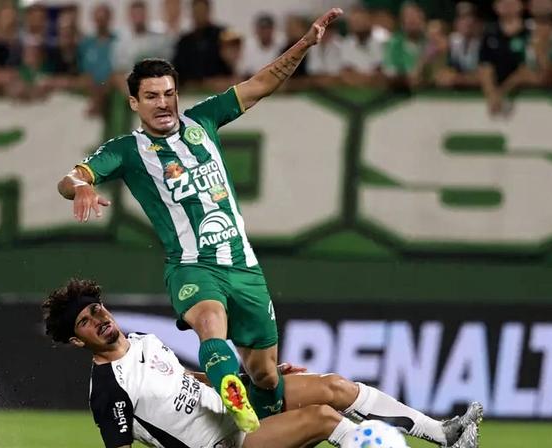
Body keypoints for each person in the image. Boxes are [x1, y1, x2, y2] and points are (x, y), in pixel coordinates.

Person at [57, 8, 343, 434]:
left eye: (169, 93)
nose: (163, 103)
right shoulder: (127, 151)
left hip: (241, 264)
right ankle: (231, 389)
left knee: (267, 377)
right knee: (211, 320)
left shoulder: (204, 119)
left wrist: (304, 44)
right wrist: (80, 187)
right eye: (151, 96)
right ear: (134, 103)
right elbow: (70, 178)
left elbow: (261, 83)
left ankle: (250, 395)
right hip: (191, 263)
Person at [41, 278, 484, 448]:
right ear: (77, 341)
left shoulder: (143, 340)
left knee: (330, 386)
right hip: (226, 445)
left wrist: (244, 380)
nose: (98, 319)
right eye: (84, 321)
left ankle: (443, 435)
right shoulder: (109, 391)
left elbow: (184, 379)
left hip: (234, 410)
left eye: (96, 309)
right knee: (324, 419)